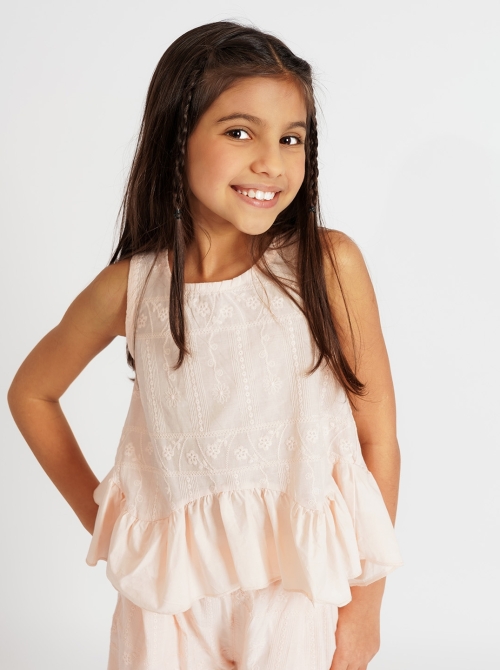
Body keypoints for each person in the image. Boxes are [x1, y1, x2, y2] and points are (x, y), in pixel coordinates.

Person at [7, 21, 403, 670]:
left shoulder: (327, 266)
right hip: (169, 603)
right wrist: (104, 520)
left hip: (294, 591)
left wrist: (366, 607)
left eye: (292, 138)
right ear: (178, 138)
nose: (272, 161)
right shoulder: (134, 287)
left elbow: (376, 437)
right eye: (240, 132)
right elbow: (32, 393)